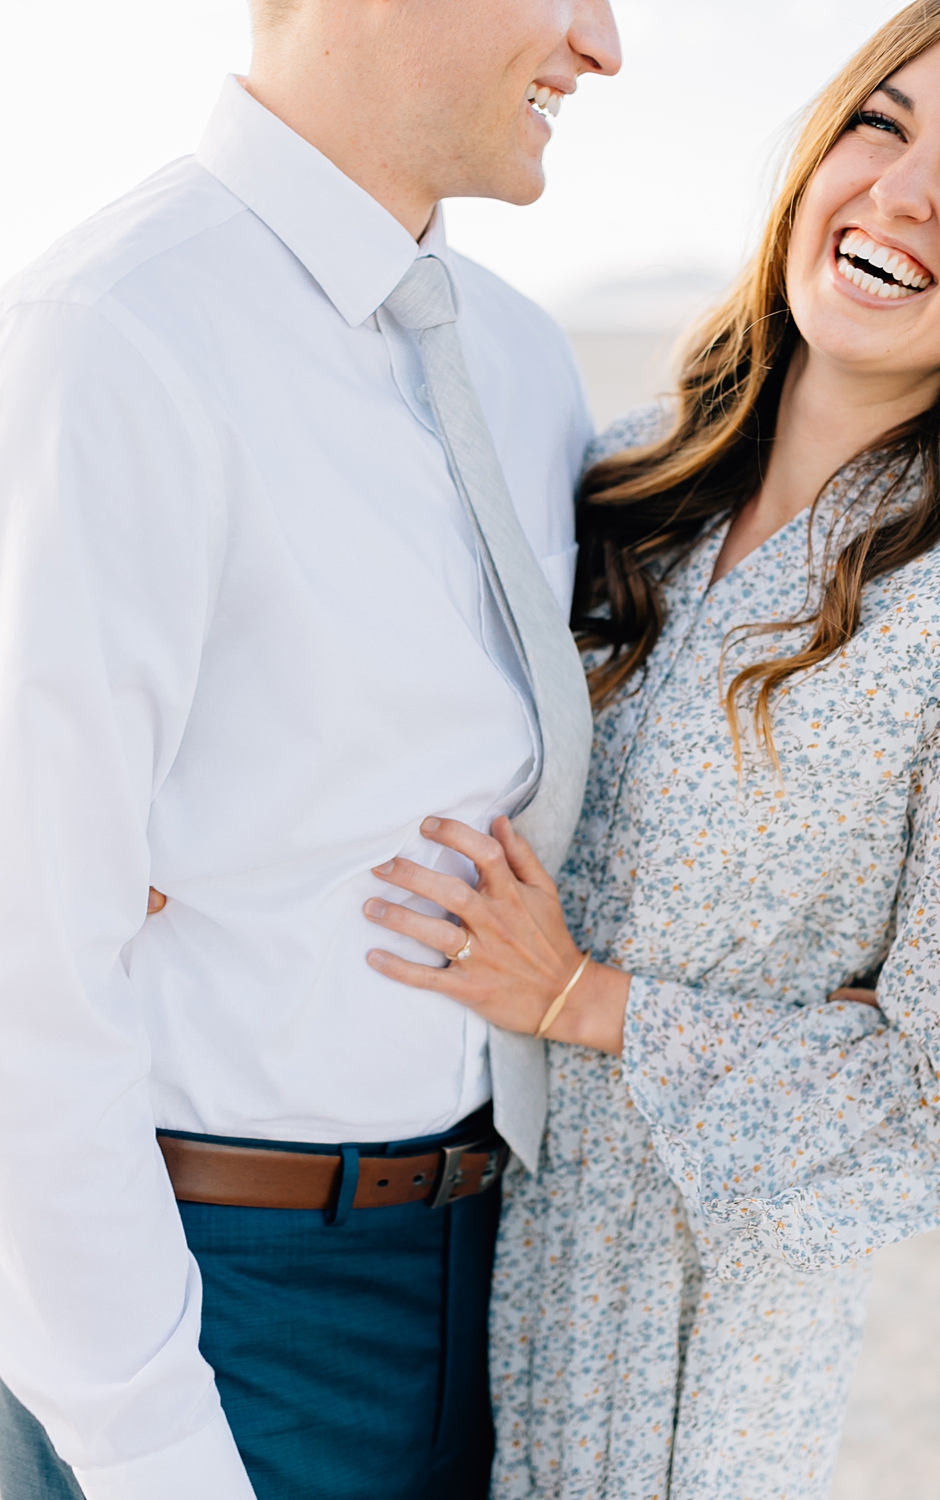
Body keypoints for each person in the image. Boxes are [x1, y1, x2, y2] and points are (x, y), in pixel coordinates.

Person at [0, 2, 622, 1498]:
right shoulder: (105, 344)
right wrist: (148, 1445)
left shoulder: (517, 360)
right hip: (211, 1292)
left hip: (488, 1265)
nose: (606, 44)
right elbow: (13, 990)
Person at [363, 3, 940, 1495]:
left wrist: (585, 998)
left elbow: (928, 1097)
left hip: (705, 1331)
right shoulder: (616, 476)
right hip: (449, 1236)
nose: (907, 196)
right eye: (884, 125)